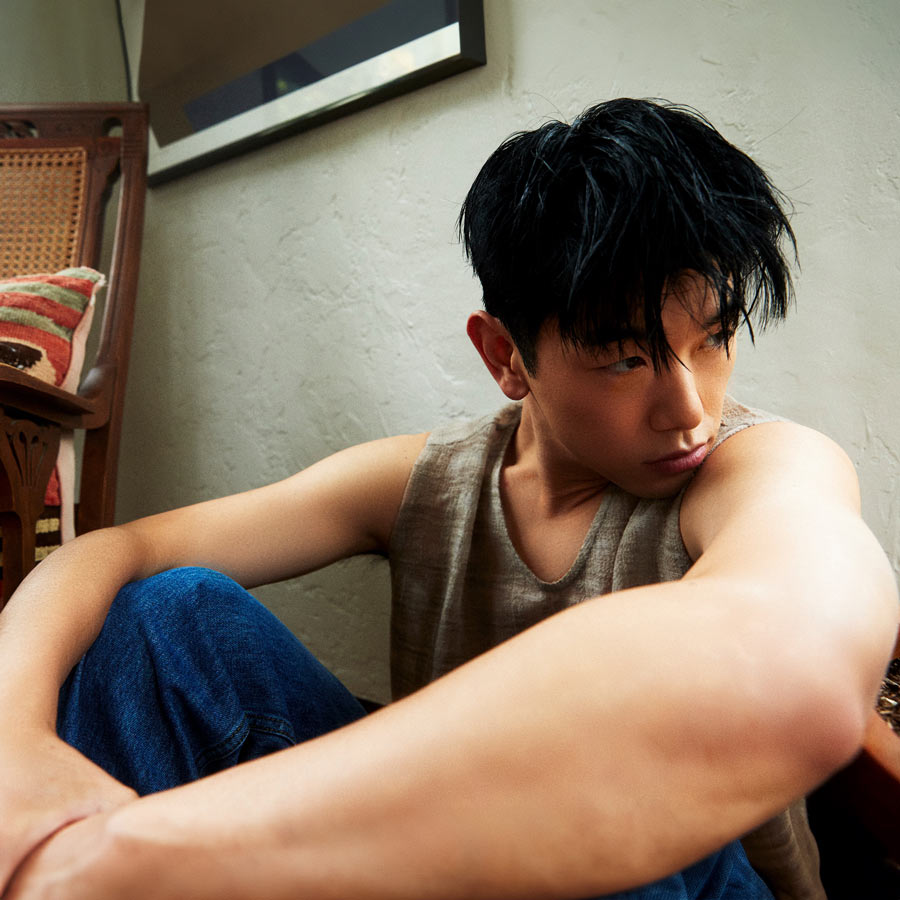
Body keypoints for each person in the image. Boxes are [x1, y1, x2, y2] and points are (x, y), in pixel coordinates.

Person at [0, 98, 896, 900]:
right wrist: (14, 744)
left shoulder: (756, 464)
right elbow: (116, 551)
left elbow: (801, 666)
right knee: (164, 617)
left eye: (716, 338)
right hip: (451, 867)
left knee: (602, 764)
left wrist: (126, 856)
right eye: (627, 359)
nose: (689, 407)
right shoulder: (428, 482)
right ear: (506, 355)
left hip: (682, 874)